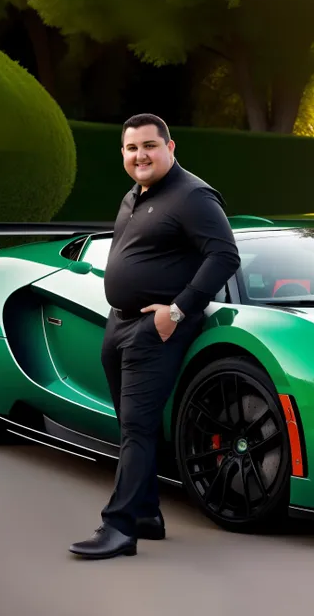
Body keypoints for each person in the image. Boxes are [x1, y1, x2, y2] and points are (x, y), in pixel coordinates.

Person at [69, 113, 241, 560]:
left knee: (139, 429)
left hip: (157, 330)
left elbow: (224, 255)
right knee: (130, 427)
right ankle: (145, 514)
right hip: (120, 323)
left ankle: (120, 528)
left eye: (149, 146)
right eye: (131, 148)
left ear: (170, 147)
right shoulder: (134, 195)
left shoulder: (193, 196)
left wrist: (178, 310)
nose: (140, 155)